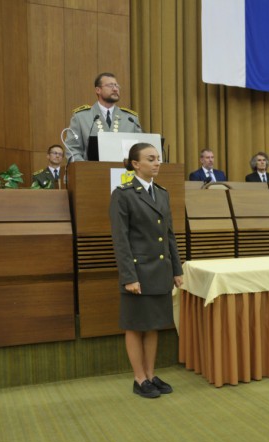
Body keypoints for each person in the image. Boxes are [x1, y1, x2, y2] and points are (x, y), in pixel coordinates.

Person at [109, 143, 183, 398]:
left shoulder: (162, 193)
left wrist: (176, 269)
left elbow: (169, 235)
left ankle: (151, 375)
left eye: (158, 158)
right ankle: (139, 378)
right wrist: (129, 277)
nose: (157, 163)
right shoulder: (123, 194)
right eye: (151, 159)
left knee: (153, 326)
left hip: (160, 271)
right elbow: (121, 240)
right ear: (135, 164)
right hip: (138, 273)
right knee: (134, 326)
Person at [67, 72, 142, 162]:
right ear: (98, 90)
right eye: (110, 85)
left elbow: (140, 149)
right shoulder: (81, 117)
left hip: (123, 170)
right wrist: (84, 167)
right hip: (90, 170)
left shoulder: (130, 119)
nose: (115, 89)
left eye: (116, 86)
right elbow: (72, 149)